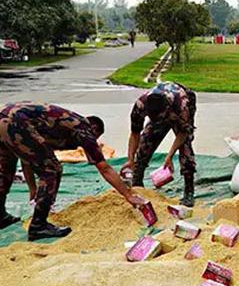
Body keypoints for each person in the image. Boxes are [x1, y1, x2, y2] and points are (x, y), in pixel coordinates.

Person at [0, 103, 146, 240]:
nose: (93, 143)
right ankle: (39, 225)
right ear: (94, 129)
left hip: (4, 116)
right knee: (52, 169)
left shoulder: (56, 125)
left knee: (5, 168)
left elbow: (27, 159)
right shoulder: (84, 129)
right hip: (16, 122)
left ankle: (0, 216)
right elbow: (104, 168)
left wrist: (33, 190)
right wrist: (128, 195)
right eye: (96, 138)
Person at [121, 81, 198, 207]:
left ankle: (189, 190)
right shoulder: (140, 105)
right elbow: (135, 133)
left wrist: (169, 156)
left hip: (178, 109)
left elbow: (182, 134)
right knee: (146, 142)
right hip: (163, 110)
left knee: (186, 147)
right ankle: (137, 182)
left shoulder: (181, 104)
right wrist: (130, 159)